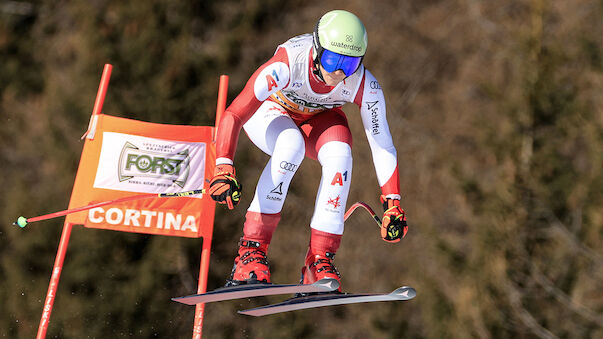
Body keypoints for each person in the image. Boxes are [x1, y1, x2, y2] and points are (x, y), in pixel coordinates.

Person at [208, 10, 408, 290]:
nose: (338, 72)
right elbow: (234, 114)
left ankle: (319, 260)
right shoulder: (289, 63)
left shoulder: (364, 83)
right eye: (332, 60)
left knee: (341, 154)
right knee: (291, 144)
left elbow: (381, 141)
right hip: (271, 112)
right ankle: (251, 252)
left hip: (317, 117)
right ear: (316, 49)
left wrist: (393, 202)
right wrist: (224, 165)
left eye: (349, 64)